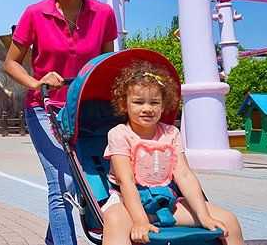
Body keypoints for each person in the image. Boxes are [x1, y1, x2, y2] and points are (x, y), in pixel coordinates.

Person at [4, 0, 118, 244]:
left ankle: (53, 240)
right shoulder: (35, 14)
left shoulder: (104, 14)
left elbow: (106, 65)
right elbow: (10, 64)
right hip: (45, 107)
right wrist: (36, 81)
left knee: (86, 181)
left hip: (86, 109)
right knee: (62, 181)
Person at [102, 61, 244, 245]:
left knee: (229, 220)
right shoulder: (120, 134)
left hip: (167, 201)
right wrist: (140, 221)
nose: (147, 108)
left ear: (163, 106)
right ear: (124, 104)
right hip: (128, 203)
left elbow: (184, 175)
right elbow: (125, 180)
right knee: (114, 220)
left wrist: (204, 216)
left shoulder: (171, 133)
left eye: (154, 103)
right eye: (138, 102)